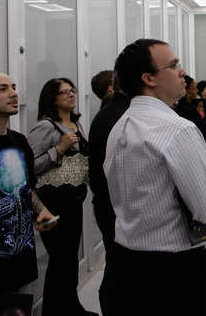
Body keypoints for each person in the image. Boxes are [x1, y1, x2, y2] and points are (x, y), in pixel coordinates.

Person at [103, 39, 206, 316]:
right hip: (173, 274)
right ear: (148, 79)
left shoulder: (120, 126)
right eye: (174, 66)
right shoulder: (177, 130)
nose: (183, 72)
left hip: (124, 266)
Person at [26, 78, 95, 316]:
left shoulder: (75, 123)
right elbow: (29, 165)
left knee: (68, 261)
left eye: (72, 90)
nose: (71, 94)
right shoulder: (46, 127)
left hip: (74, 201)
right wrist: (58, 149)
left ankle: (70, 306)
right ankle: (55, 310)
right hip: (53, 202)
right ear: (52, 98)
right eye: (64, 92)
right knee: (60, 261)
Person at [0, 71, 56, 310]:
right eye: (2, 88)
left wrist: (41, 209)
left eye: (14, 87)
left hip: (20, 262)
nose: (13, 93)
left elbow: (25, 188)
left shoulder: (19, 142)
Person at [87, 76, 130, 316]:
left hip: (108, 204)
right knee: (121, 268)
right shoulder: (122, 116)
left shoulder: (107, 114)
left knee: (116, 265)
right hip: (118, 206)